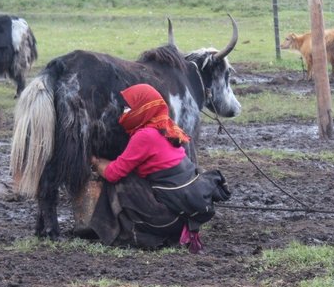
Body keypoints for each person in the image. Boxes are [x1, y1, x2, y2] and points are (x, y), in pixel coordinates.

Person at [88, 83, 230, 252]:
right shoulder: (165, 126)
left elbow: (113, 173)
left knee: (122, 182)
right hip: (183, 211)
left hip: (170, 217)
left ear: (143, 108)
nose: (125, 111)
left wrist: (96, 162)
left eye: (129, 107)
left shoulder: (145, 136)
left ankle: (126, 233)